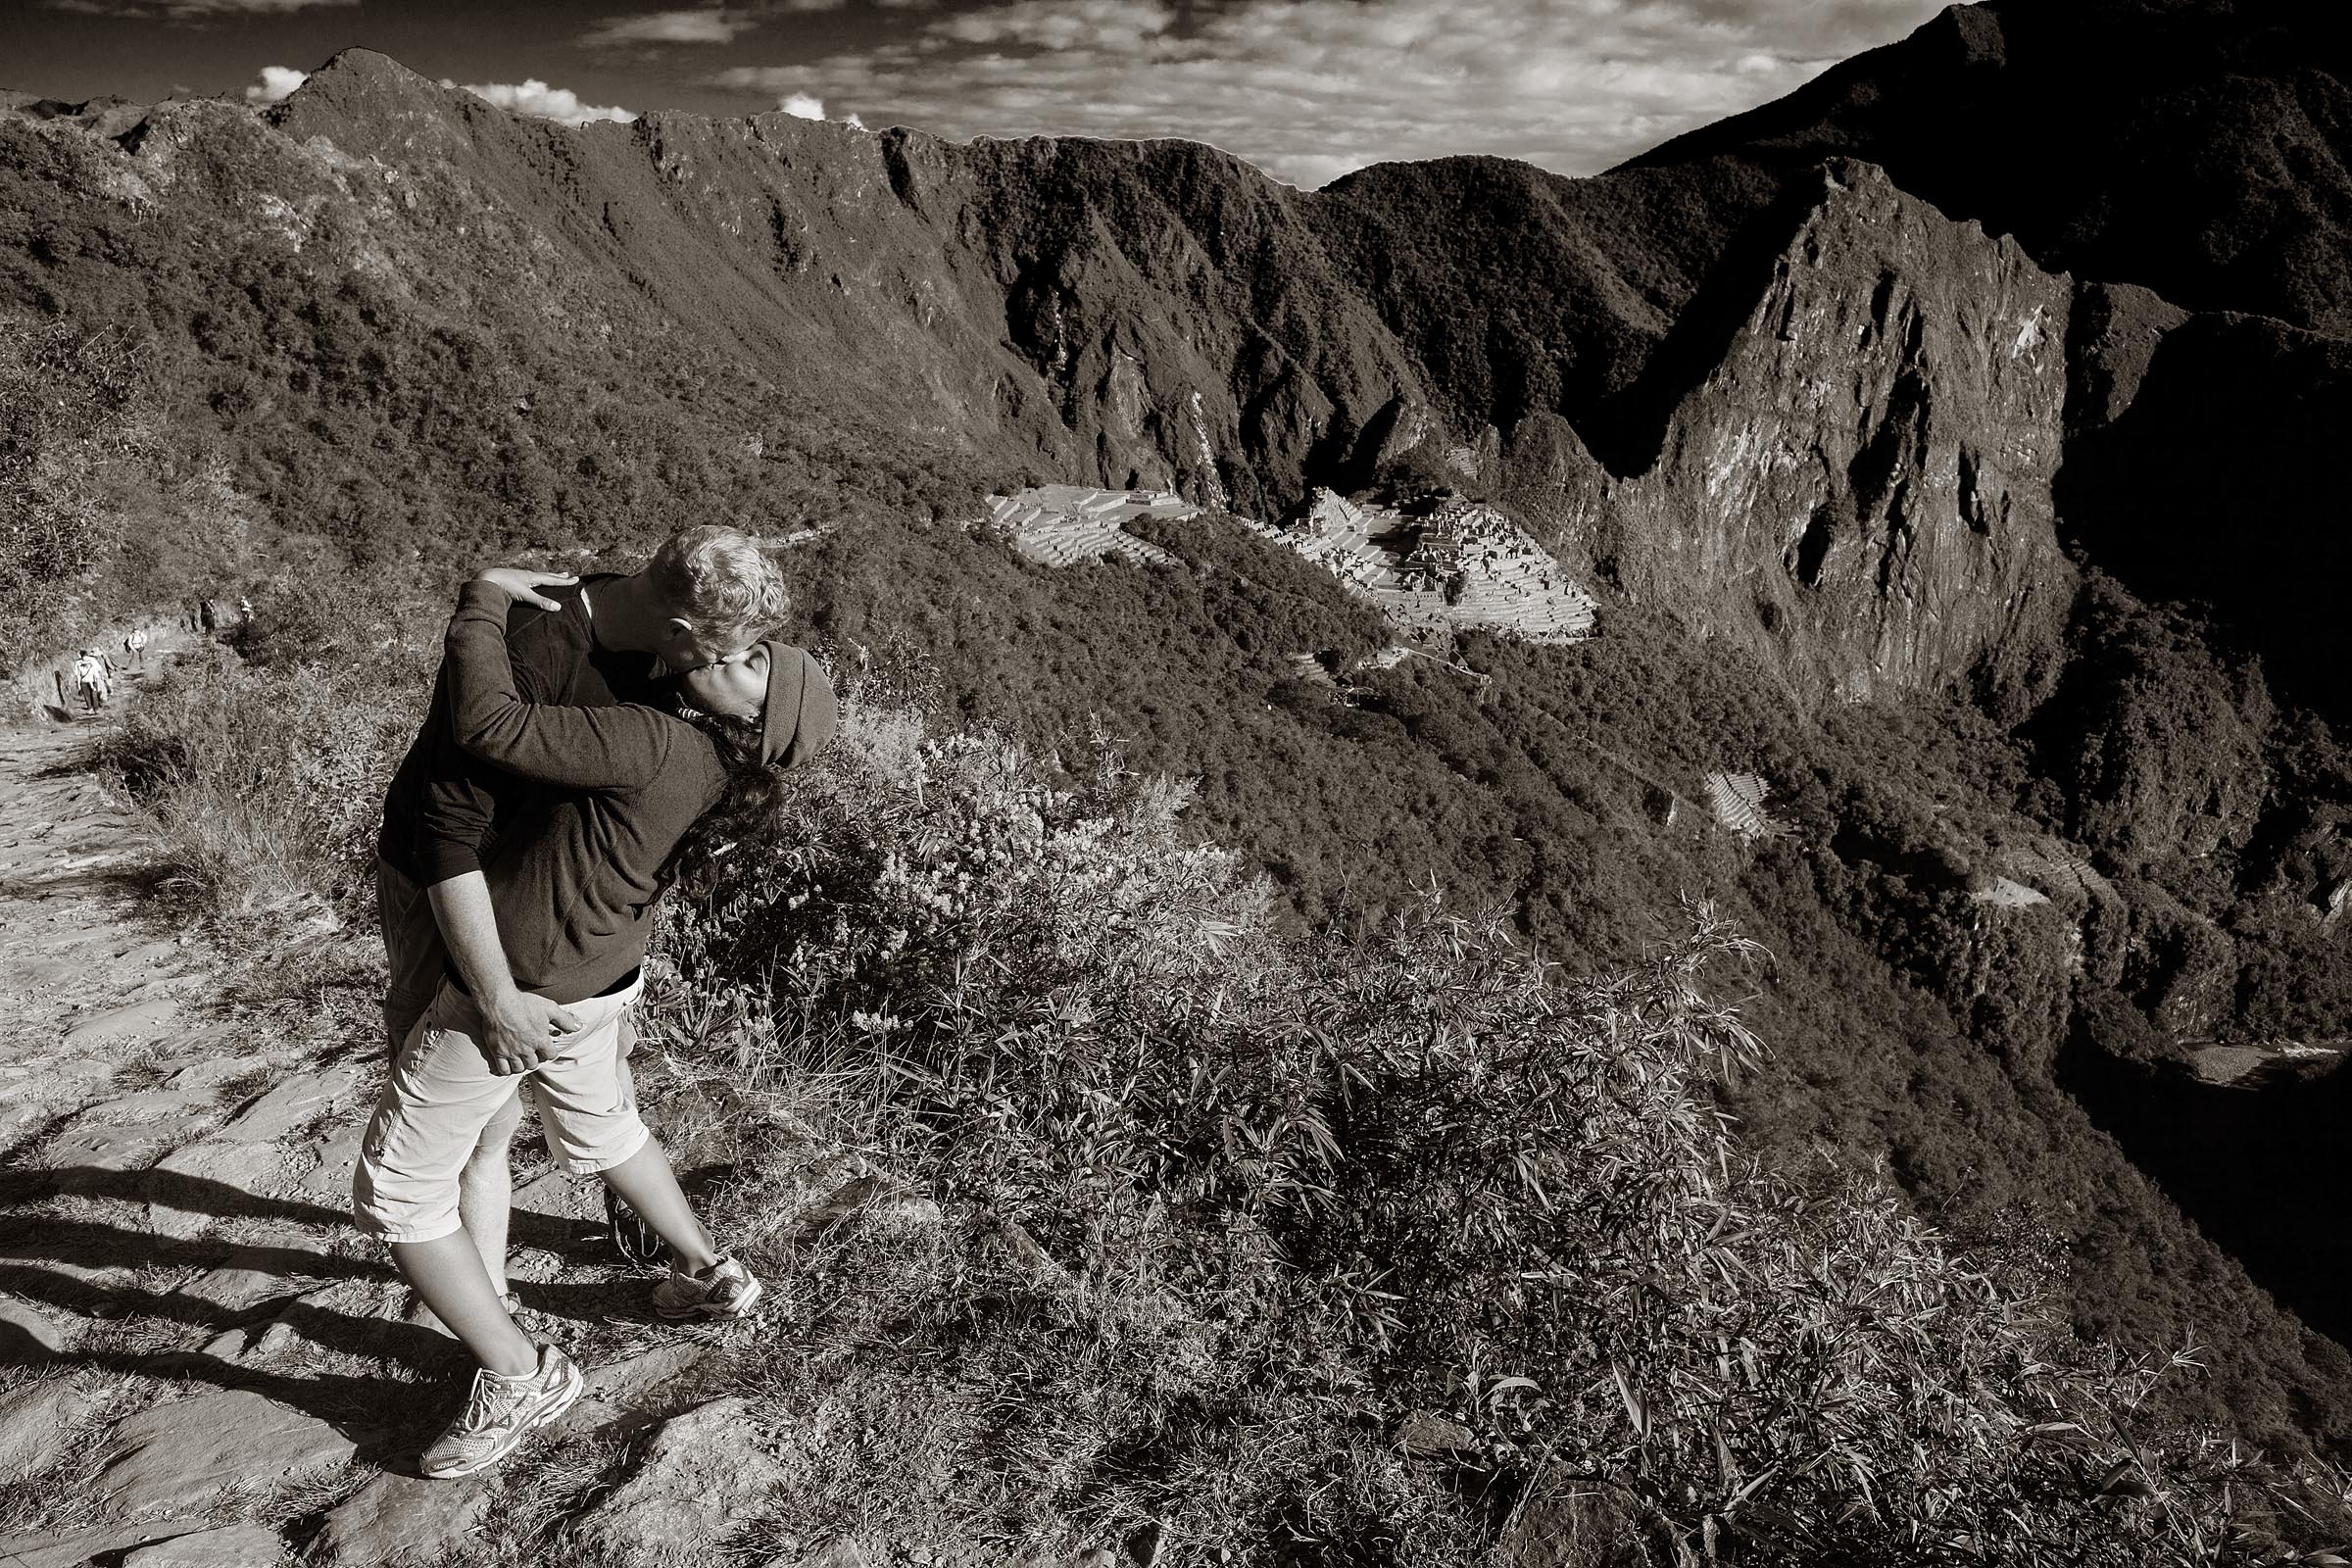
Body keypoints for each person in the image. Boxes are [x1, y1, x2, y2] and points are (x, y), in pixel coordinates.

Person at [353, 564, 834, 1479]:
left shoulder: (655, 743)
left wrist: (482, 596)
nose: (738, 657)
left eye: (749, 664)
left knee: (398, 1189)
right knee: (606, 1124)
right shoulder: (702, 772)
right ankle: (715, 1275)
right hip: (607, 973)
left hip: (527, 982)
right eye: (744, 648)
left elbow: (493, 726)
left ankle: (519, 1370)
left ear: (745, 720)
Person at [71, 649, 109, 714]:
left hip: (87, 681)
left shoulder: (80, 663)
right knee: (91, 695)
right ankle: (93, 709)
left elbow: (78, 675)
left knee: (90, 696)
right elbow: (99, 669)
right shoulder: (90, 661)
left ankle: (93, 708)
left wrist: (79, 686)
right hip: (90, 680)